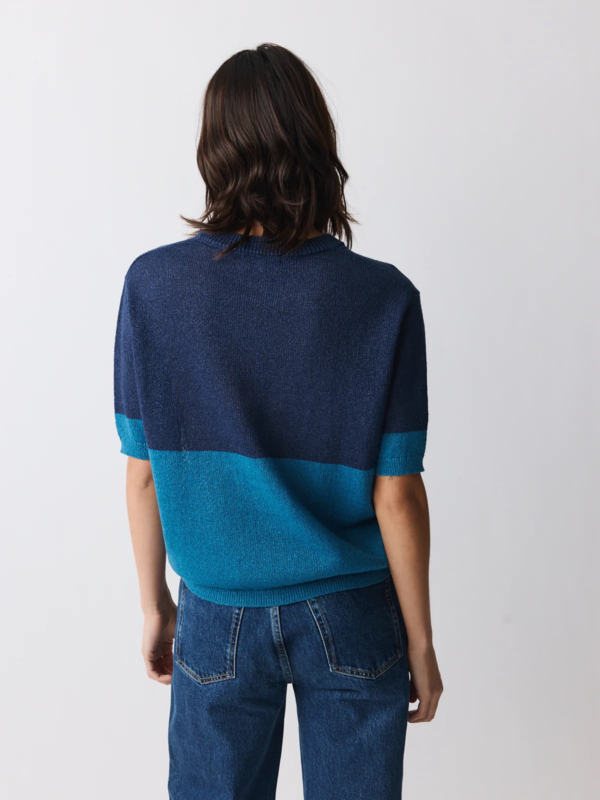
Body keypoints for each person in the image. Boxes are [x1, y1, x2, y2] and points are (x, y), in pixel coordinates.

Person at [114, 43, 443, 800]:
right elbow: (397, 494)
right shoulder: (383, 298)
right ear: (317, 145)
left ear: (214, 149)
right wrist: (421, 643)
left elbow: (143, 476)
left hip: (216, 613)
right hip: (353, 612)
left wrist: (154, 605)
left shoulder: (153, 287)